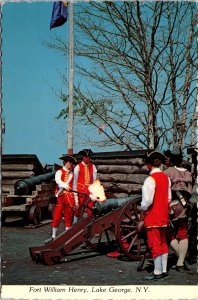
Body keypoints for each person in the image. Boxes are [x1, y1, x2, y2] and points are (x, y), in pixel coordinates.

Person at [140, 151, 171, 281]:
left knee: (154, 244)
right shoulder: (166, 178)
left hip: (153, 216)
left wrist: (142, 208)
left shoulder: (150, 179)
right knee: (163, 242)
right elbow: (168, 198)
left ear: (149, 165)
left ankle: (157, 272)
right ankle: (164, 270)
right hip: (164, 215)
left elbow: (147, 201)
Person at [164, 149, 193, 272]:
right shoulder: (187, 173)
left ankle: (179, 259)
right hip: (184, 206)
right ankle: (180, 262)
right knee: (183, 234)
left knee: (168, 234)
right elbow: (191, 192)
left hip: (171, 206)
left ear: (171, 159)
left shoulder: (167, 172)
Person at [45, 155, 78, 243]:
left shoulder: (72, 174)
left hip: (69, 198)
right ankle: (53, 236)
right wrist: (65, 185)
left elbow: (74, 187)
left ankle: (67, 236)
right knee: (57, 216)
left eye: (72, 163)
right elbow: (58, 181)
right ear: (65, 163)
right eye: (69, 163)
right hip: (60, 196)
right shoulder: (59, 172)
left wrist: (76, 200)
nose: (70, 165)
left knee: (68, 217)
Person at [73, 149, 97, 221]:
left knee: (90, 209)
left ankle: (91, 225)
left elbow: (94, 180)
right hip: (80, 192)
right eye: (86, 157)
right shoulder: (78, 167)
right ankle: (74, 225)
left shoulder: (93, 166)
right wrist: (75, 193)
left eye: (89, 157)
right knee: (78, 209)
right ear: (83, 157)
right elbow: (75, 182)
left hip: (89, 192)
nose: (87, 158)